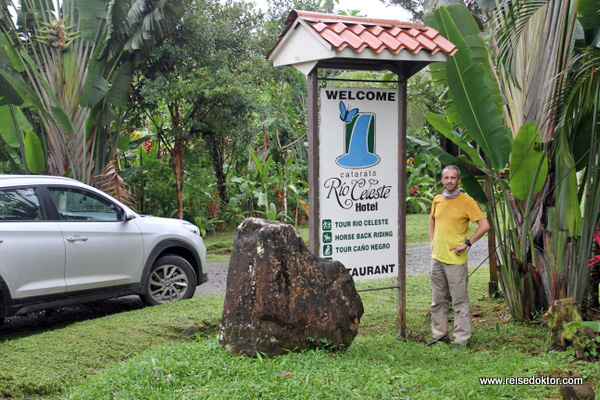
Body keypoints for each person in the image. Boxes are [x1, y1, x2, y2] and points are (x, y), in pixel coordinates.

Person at [429, 165, 490, 348]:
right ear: (442, 180)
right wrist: (432, 240)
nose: (449, 181)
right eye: (446, 177)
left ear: (459, 180)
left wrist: (467, 243)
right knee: (438, 300)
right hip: (437, 258)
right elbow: (432, 219)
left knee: (459, 300)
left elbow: (484, 225)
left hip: (455, 260)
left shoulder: (467, 201)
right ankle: (439, 334)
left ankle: (461, 338)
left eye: (453, 178)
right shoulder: (438, 199)